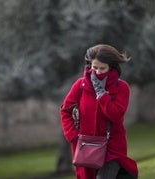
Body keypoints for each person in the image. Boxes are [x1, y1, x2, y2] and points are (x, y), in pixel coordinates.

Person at [60, 44, 138, 179]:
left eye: (102, 68)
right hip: (85, 148)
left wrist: (101, 94)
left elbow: (116, 115)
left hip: (111, 148)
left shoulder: (122, 87)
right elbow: (66, 111)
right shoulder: (80, 85)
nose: (97, 72)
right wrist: (73, 136)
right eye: (94, 67)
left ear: (111, 67)